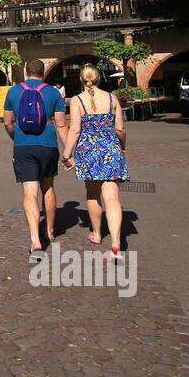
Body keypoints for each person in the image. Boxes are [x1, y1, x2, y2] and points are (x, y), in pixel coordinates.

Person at [60, 64, 129, 262]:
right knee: (112, 197)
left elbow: (74, 130)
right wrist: (122, 147)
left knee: (92, 193)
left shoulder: (77, 100)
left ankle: (97, 233)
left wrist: (66, 154)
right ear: (99, 79)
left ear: (81, 80)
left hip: (88, 151)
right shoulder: (111, 98)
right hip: (110, 149)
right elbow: (120, 129)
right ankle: (116, 243)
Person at [3, 59, 67, 262]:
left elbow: (8, 122)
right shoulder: (53, 93)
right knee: (48, 188)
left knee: (29, 193)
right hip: (48, 145)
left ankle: (35, 240)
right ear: (44, 73)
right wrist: (68, 152)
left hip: (23, 146)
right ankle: (49, 230)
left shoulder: (13, 92)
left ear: (25, 71)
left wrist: (16, 138)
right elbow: (61, 124)